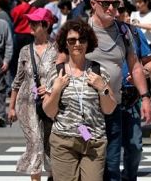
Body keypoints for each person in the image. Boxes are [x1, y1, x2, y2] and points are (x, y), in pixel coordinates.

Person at [87, 0, 151, 181]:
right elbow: (62, 62)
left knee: (112, 165)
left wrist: (146, 98)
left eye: (115, 4)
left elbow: (135, 66)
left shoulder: (125, 32)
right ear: (93, 4)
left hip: (113, 108)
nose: (111, 8)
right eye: (105, 3)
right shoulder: (81, 30)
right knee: (89, 161)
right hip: (84, 114)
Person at [43, 19, 117, 181]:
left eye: (82, 39)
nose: (77, 44)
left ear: (88, 42)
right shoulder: (57, 73)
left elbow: (109, 109)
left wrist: (102, 87)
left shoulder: (98, 70)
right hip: (63, 140)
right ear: (65, 43)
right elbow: (49, 112)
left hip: (94, 141)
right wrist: (56, 89)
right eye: (72, 40)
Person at [8, 8, 57, 181]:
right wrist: (11, 107)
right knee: (35, 144)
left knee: (50, 145)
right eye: (30, 22)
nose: (30, 25)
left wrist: (51, 88)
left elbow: (64, 76)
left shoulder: (58, 49)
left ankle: (52, 177)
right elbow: (17, 80)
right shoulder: (24, 50)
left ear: (46, 25)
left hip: (51, 104)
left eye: (35, 22)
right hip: (27, 104)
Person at [117, 0, 151, 180]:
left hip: (131, 98)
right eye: (111, 7)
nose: (116, 12)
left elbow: (150, 61)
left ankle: (129, 177)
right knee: (108, 149)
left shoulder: (134, 32)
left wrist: (144, 73)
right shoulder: (93, 33)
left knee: (134, 146)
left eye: (121, 9)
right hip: (102, 101)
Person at [10, 0, 36, 80]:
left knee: (17, 58)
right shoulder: (33, 9)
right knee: (28, 58)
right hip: (29, 36)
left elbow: (13, 19)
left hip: (18, 35)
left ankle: (18, 77)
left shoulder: (16, 9)